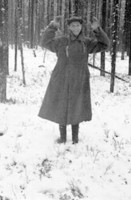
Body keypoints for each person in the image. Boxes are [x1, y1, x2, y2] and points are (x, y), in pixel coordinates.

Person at [38, 16, 110, 144]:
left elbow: (105, 44)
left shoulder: (86, 43)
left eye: (78, 25)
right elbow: (45, 42)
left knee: (77, 106)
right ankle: (63, 138)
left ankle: (75, 138)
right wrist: (52, 27)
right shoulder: (62, 41)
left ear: (81, 27)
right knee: (62, 105)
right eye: (73, 26)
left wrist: (97, 30)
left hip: (79, 79)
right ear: (69, 28)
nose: (75, 28)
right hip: (61, 78)